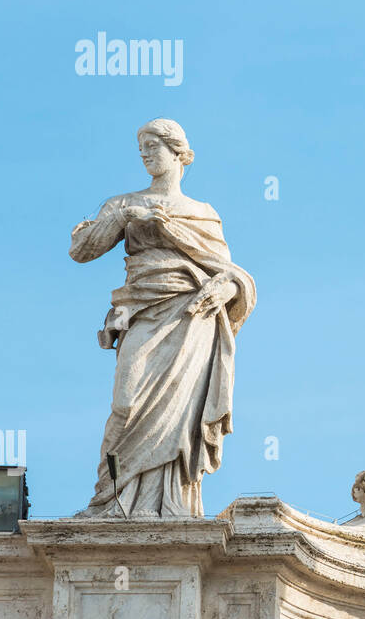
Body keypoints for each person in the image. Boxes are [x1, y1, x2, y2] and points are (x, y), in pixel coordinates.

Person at [69, 119, 255, 517]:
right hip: (142, 309)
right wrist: (121, 219)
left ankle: (172, 503)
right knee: (126, 403)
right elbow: (82, 250)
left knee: (180, 416)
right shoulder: (123, 203)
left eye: (153, 146)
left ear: (178, 153)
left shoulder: (203, 213)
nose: (146, 154)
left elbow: (230, 272)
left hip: (191, 316)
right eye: (142, 148)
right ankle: (114, 498)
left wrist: (229, 288)